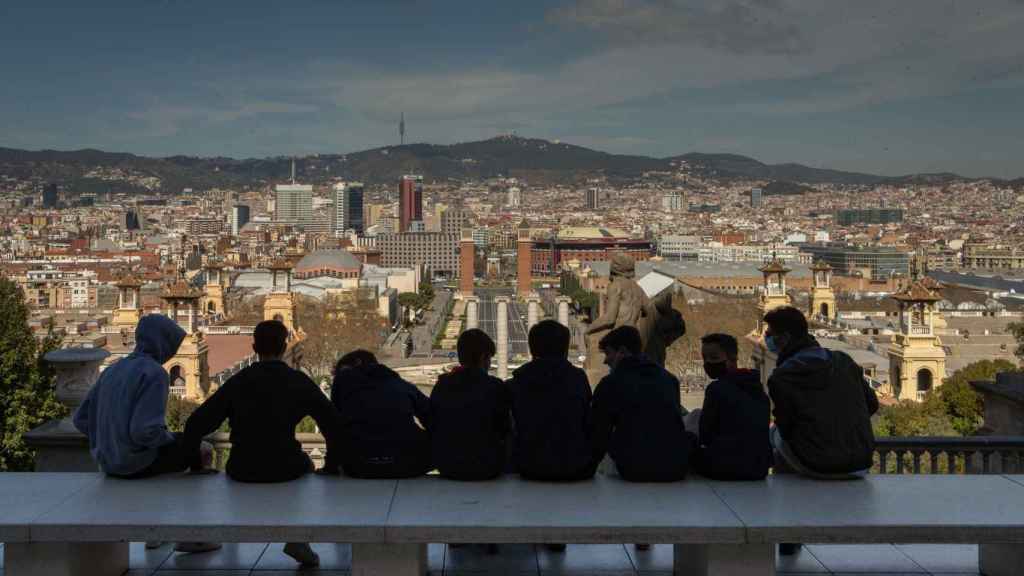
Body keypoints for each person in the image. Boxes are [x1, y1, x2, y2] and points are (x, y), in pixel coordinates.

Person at [182, 320, 344, 567]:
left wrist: (196, 467)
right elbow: (333, 425)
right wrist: (331, 467)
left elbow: (195, 425)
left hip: (242, 467)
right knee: (307, 466)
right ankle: (298, 539)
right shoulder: (297, 380)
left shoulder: (239, 381)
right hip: (287, 466)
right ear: (283, 347)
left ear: (254, 347)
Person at [73, 314, 220, 554]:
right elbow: (145, 432)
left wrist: (110, 439)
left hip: (107, 461)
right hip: (135, 462)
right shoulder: (154, 373)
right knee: (201, 449)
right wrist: (170, 439)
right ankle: (194, 535)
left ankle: (157, 531)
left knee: (177, 447)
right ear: (162, 343)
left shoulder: (113, 369)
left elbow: (81, 419)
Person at [764, 306, 879, 556]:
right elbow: (872, 405)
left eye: (770, 334)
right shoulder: (844, 362)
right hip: (860, 460)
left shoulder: (782, 378)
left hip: (816, 463)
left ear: (784, 339)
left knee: (773, 434)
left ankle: (788, 533)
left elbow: (787, 426)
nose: (767, 339)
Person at [590, 325, 692, 482]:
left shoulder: (610, 383)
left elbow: (598, 433)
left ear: (622, 352)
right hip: (675, 467)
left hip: (634, 468)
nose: (605, 360)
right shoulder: (669, 379)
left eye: (608, 353)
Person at [330, 349, 432, 478]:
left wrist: (330, 466)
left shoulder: (343, 381)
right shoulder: (401, 385)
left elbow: (333, 425)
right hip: (408, 465)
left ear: (357, 363)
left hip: (358, 466)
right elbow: (432, 419)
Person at [429, 329, 511, 481]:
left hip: (448, 466)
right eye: (489, 359)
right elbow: (505, 427)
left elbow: (432, 421)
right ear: (482, 358)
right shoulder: (495, 386)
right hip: (488, 467)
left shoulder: (443, 385)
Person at [689, 333, 771, 481]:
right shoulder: (757, 389)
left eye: (714, 358)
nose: (708, 362)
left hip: (723, 468)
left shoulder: (716, 389)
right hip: (758, 468)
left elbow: (705, 435)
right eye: (705, 358)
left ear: (732, 358)